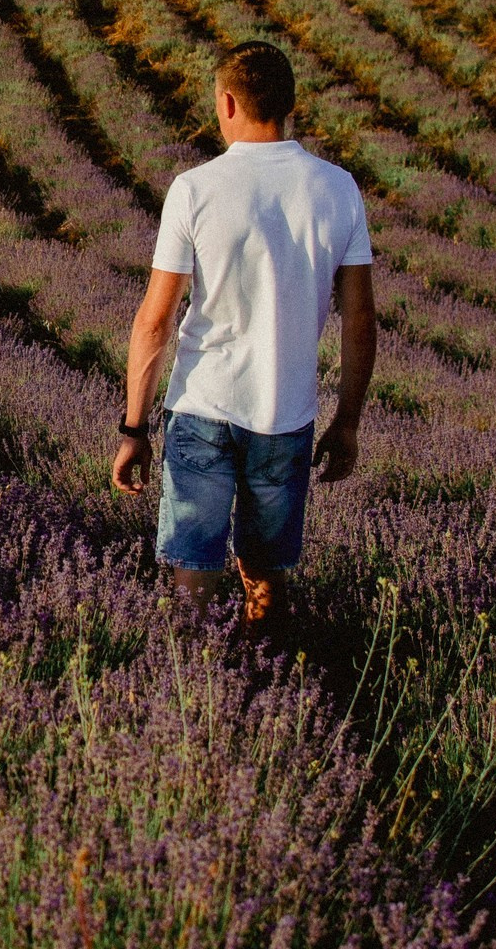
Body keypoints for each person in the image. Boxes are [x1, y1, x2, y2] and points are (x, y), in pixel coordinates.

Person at [111, 42, 375, 628]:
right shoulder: (338, 189)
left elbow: (155, 320)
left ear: (227, 103)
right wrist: (348, 421)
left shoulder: (196, 188)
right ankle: (264, 680)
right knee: (266, 573)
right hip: (286, 413)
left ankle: (194, 688)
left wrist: (134, 427)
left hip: (203, 406)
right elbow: (360, 321)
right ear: (289, 103)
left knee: (192, 569)